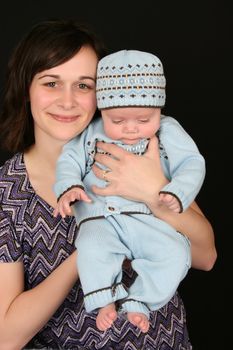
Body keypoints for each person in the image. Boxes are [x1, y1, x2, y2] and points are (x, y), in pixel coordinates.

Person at [0, 19, 216, 350]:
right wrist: (93, 249)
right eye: (51, 83)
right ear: (25, 88)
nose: (68, 101)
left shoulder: (139, 148)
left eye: (84, 85)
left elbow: (205, 256)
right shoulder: (8, 194)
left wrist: (151, 191)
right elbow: (6, 337)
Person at [53, 49, 206, 333]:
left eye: (144, 119)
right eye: (118, 121)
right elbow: (69, 160)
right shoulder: (90, 133)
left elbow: (192, 163)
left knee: (174, 253)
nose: (132, 129)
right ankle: (104, 301)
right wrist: (69, 186)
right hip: (102, 219)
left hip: (148, 220)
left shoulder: (168, 132)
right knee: (91, 247)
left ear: (159, 109)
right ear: (102, 111)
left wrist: (176, 191)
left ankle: (140, 301)